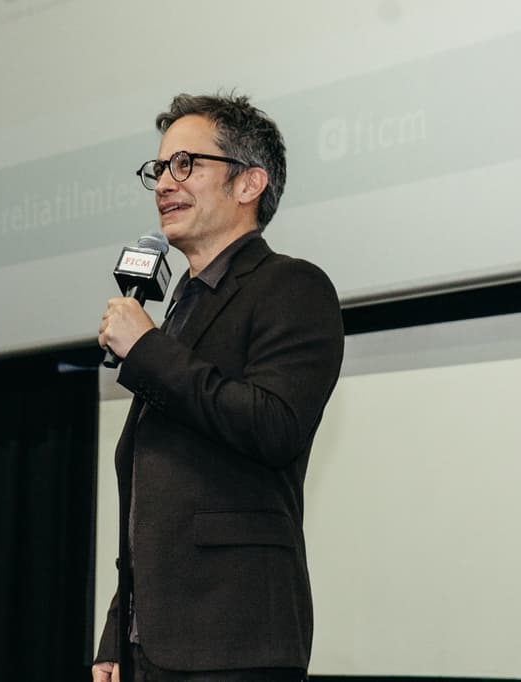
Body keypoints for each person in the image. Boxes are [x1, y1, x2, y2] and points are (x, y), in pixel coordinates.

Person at [95, 93, 344, 682]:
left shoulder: (292, 287)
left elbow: (273, 425)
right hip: (151, 647)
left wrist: (149, 350)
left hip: (234, 639)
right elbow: (155, 494)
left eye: (186, 164)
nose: (163, 184)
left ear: (248, 182)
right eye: (158, 169)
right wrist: (117, 630)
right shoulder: (180, 303)